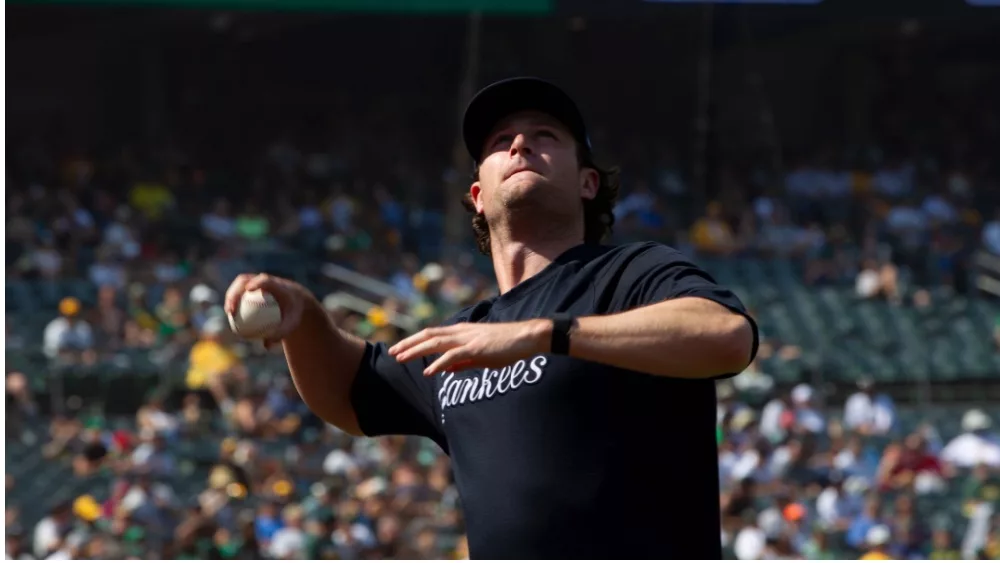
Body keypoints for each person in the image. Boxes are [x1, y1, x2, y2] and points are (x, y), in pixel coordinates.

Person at [224, 77, 758, 558]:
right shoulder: (464, 337)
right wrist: (305, 317)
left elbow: (727, 337)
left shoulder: (631, 274)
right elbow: (349, 393)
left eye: (545, 135)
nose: (520, 144)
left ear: (587, 183)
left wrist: (548, 334)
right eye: (500, 142)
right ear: (478, 196)